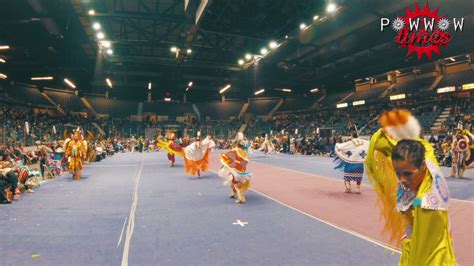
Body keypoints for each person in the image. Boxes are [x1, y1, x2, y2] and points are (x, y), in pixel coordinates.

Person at [365, 109, 455, 265]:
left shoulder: (427, 203)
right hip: (412, 245)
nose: (402, 179)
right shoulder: (421, 160)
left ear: (423, 167)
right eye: (397, 173)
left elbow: (426, 255)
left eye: (408, 174)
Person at [219, 133, 252, 204]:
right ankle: (233, 193)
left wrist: (226, 165)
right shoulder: (244, 151)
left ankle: (241, 199)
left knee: (236, 182)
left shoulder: (236, 150)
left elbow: (227, 157)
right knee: (233, 181)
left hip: (236, 169)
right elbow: (245, 161)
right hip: (240, 169)